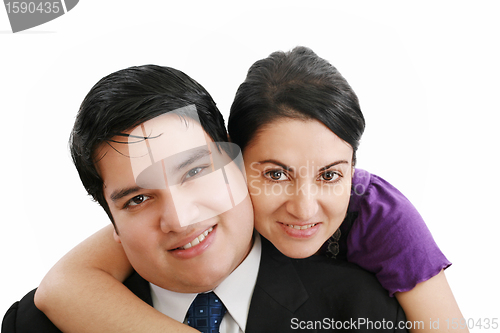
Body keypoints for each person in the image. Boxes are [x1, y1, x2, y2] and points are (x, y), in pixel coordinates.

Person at [2, 64, 408, 333]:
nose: (180, 219)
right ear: (112, 223)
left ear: (238, 161)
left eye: (195, 172)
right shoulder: (38, 325)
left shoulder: (358, 310)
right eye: (138, 200)